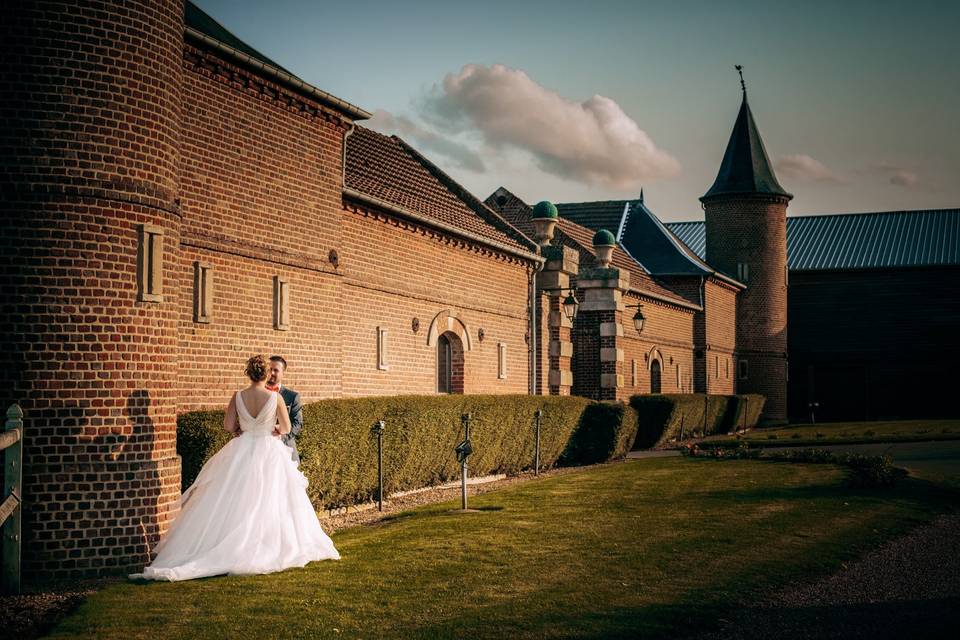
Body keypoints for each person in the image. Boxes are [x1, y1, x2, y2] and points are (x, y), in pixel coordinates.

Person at [130, 354, 339, 582]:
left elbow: (228, 425)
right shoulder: (275, 398)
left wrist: (243, 428)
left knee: (235, 498)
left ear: (248, 374)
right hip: (269, 450)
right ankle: (262, 544)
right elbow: (287, 427)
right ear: (266, 374)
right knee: (270, 499)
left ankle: (226, 544)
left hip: (242, 449)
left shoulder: (238, 396)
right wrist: (273, 429)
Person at [266, 355, 303, 465]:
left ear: (283, 373)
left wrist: (281, 434)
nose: (271, 373)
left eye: (276, 370)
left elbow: (298, 423)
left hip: (286, 450)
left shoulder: (292, 396)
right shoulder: (257, 395)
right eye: (269, 369)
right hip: (262, 450)